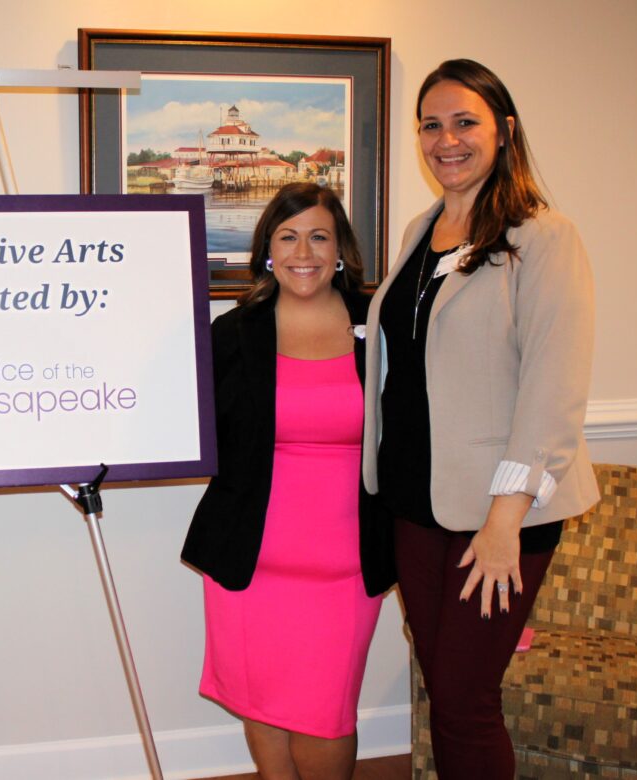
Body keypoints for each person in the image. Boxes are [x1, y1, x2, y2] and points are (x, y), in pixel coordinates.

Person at [361, 59, 598, 779]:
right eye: (431, 124)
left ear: (505, 131)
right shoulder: (418, 231)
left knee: (465, 701)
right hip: (412, 501)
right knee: (446, 690)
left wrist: (505, 519)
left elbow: (553, 392)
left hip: (496, 515)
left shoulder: (543, 238)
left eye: (465, 121)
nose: (446, 140)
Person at [182, 182, 389, 780]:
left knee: (327, 716)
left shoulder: (377, 327)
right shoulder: (233, 332)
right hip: (251, 561)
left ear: (341, 249)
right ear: (268, 251)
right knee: (261, 703)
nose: (305, 251)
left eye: (319, 236)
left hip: (346, 567)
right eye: (288, 236)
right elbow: (194, 424)